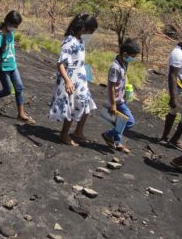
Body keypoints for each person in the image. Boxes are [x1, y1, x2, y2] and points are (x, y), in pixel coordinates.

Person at [48, 13, 98, 146]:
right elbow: (60, 64)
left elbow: (79, 60)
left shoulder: (80, 40)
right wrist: (68, 81)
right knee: (72, 106)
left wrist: (87, 73)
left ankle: (78, 132)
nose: (91, 34)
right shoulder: (69, 41)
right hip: (71, 79)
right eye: (91, 31)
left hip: (81, 80)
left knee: (86, 104)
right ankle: (64, 134)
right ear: (83, 29)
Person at [0, 10, 34, 124]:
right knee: (7, 90)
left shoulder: (11, 33)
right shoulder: (0, 36)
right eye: (14, 25)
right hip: (3, 69)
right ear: (8, 22)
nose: (15, 28)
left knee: (19, 88)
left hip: (13, 66)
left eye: (17, 26)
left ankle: (21, 114)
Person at [102, 39, 141, 154]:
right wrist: (113, 104)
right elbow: (111, 86)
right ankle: (108, 134)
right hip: (117, 101)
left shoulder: (124, 63)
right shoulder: (115, 67)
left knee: (121, 120)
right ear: (124, 54)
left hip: (122, 97)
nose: (132, 59)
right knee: (129, 122)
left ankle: (117, 142)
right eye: (132, 56)